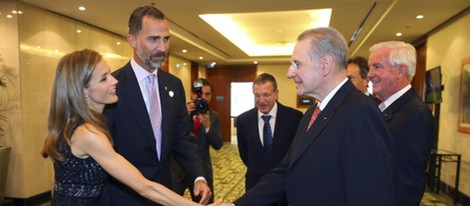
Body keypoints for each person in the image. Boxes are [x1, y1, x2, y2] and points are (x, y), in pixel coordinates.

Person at [221, 27, 395, 206]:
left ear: (325, 65)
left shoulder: (360, 112)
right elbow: (287, 170)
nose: (289, 73)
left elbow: (371, 195)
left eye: (297, 64)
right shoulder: (311, 114)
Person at [41, 49, 203, 206]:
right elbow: (145, 187)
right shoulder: (88, 134)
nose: (114, 80)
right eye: (104, 78)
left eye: (110, 74)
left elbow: (56, 183)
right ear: (84, 91)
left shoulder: (73, 124)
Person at [99, 6, 211, 205]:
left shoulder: (174, 85)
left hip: (164, 195)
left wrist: (198, 177)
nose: (163, 48)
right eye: (153, 39)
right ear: (132, 39)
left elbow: (182, 139)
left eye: (166, 39)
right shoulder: (111, 87)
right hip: (123, 197)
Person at [367, 41, 436, 206]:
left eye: (377, 67)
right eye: (370, 68)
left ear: (400, 70)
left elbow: (406, 184)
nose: (369, 74)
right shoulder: (381, 108)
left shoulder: (416, 114)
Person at [236, 73, 302, 206]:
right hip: (255, 186)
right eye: (257, 95)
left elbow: (296, 153)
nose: (261, 100)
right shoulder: (243, 120)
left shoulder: (294, 118)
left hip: (284, 187)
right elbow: (245, 154)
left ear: (276, 94)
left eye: (266, 95)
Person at [171, 78, 223, 203]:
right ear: (193, 94)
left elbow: (218, 144)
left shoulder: (214, 116)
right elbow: (168, 137)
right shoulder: (179, 112)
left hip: (202, 170)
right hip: (177, 169)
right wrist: (181, 115)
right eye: (200, 93)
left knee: (204, 202)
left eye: (207, 94)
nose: (203, 97)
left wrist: (207, 126)